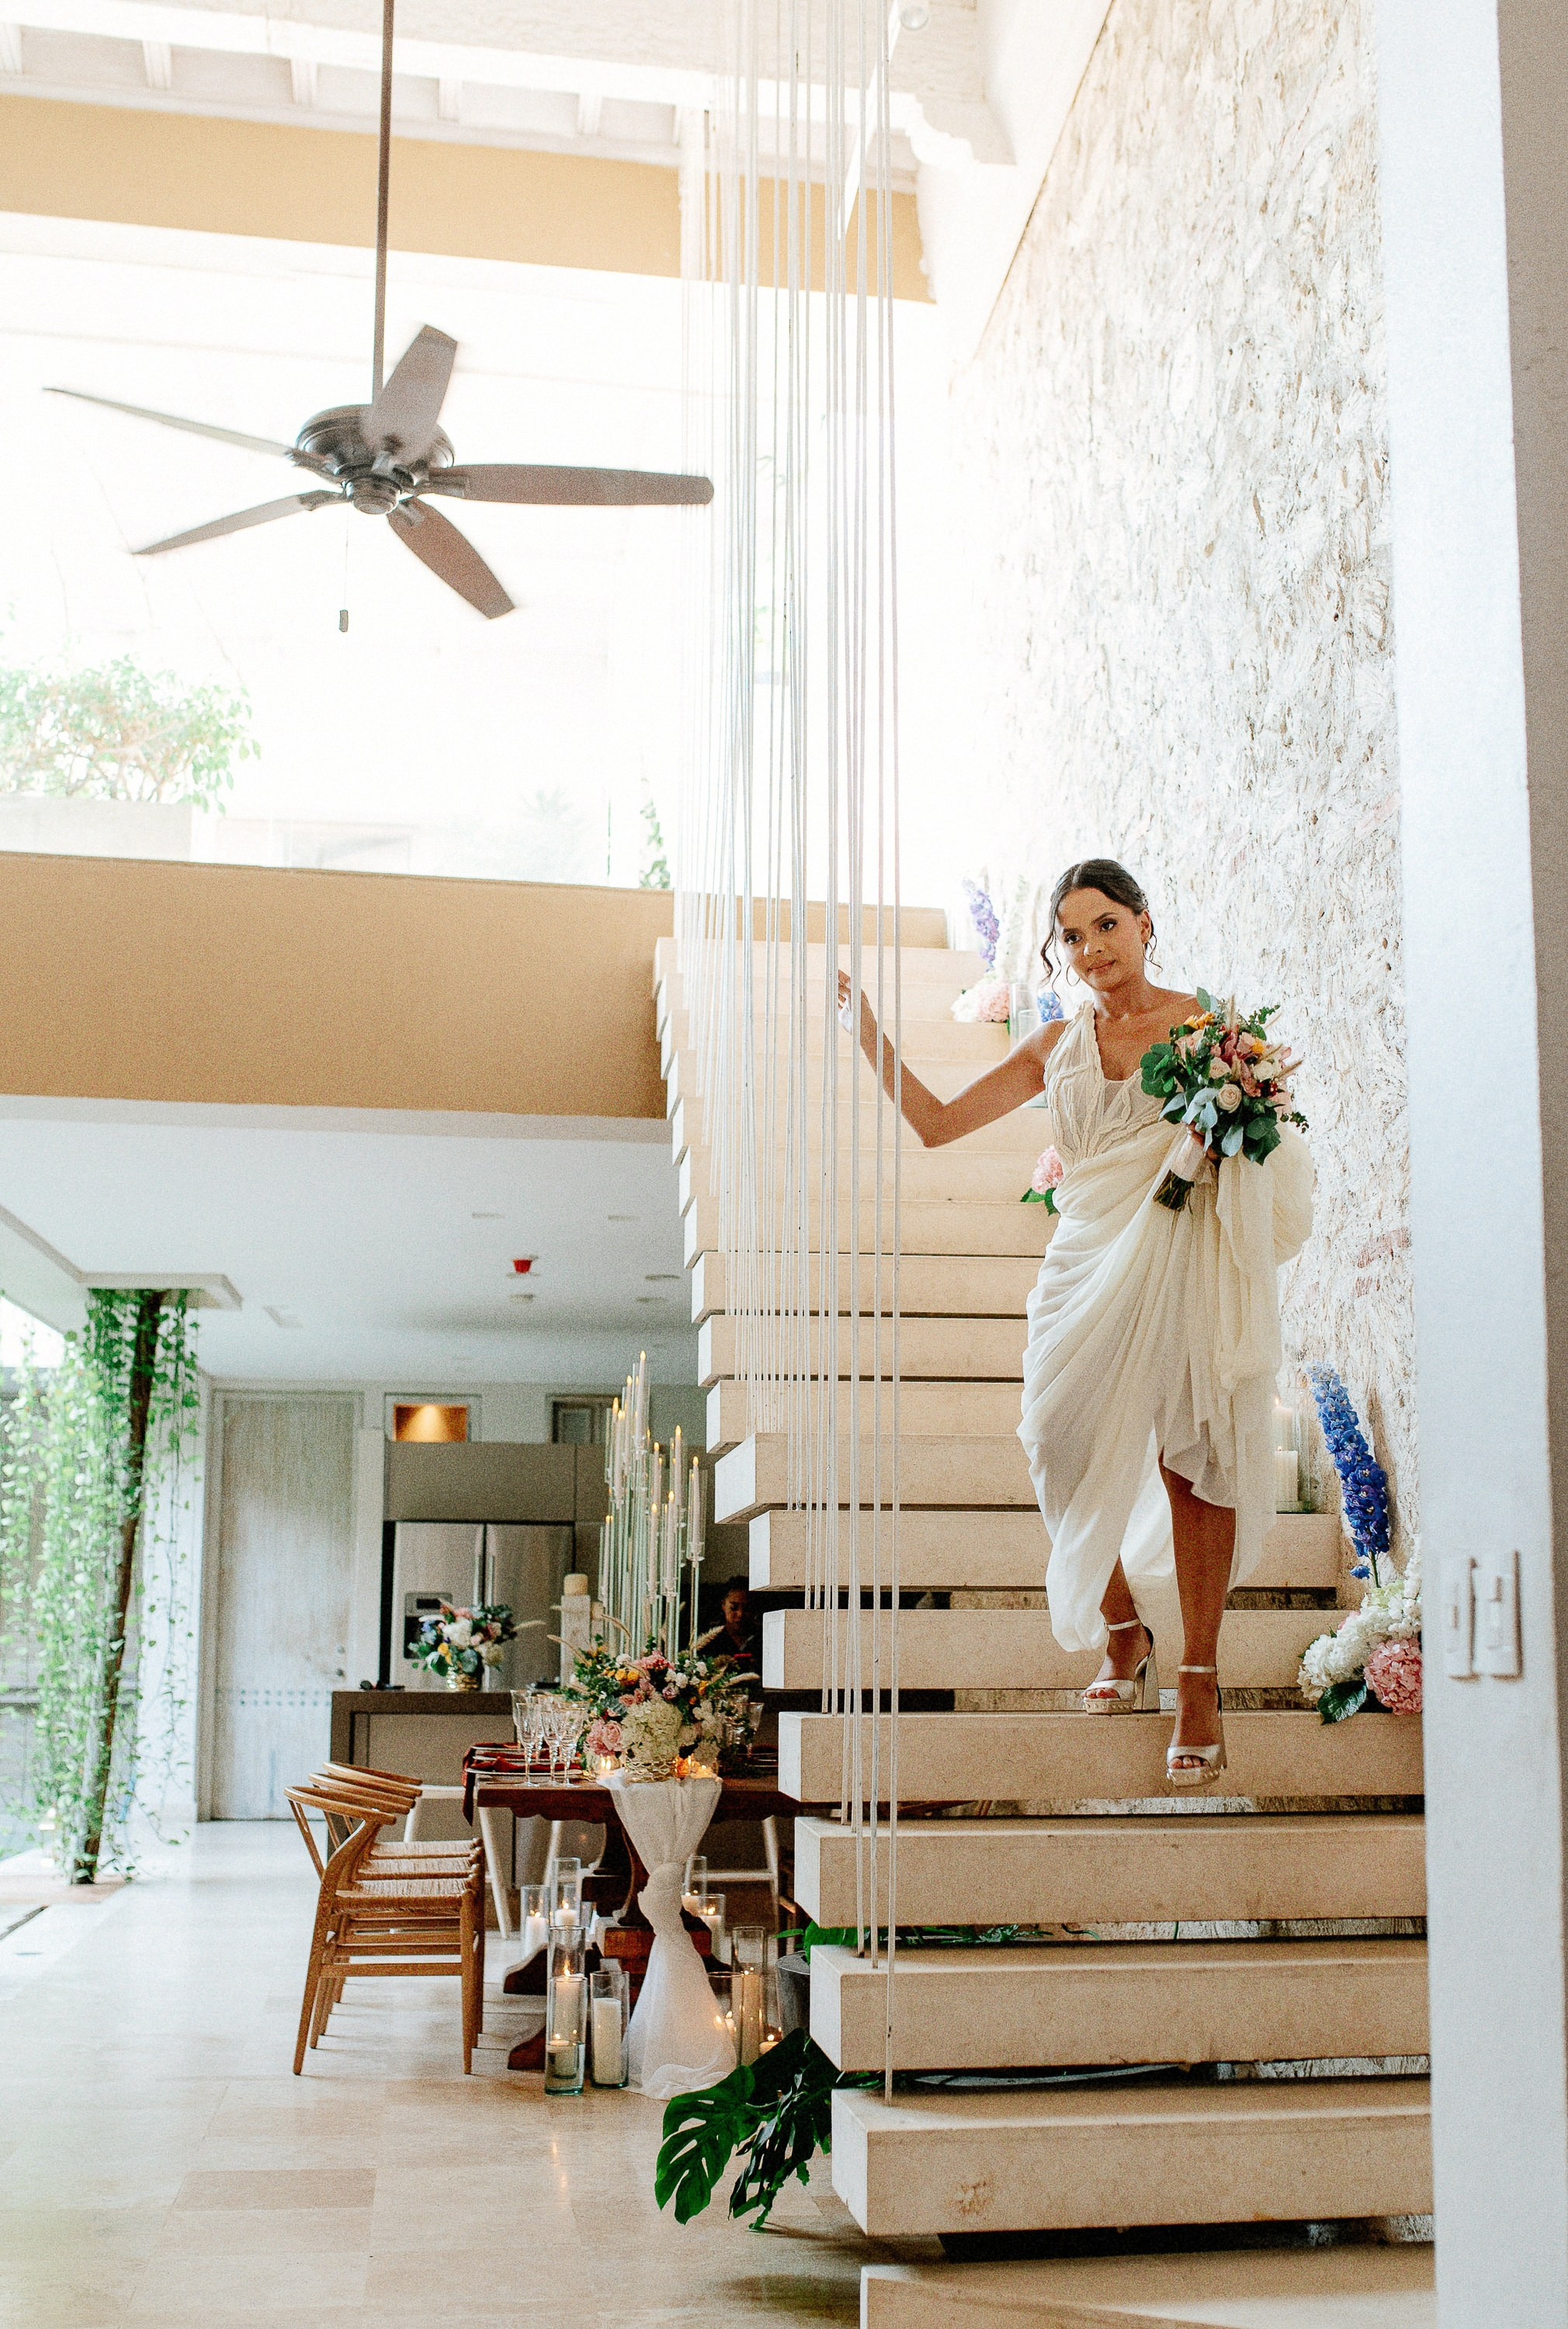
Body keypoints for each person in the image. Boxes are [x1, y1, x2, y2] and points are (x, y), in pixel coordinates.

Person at [841, 858, 1313, 1786]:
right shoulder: (1054, 1043)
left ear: (1143, 922)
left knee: (1194, 1457)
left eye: (1105, 925)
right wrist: (868, 1037)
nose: (1091, 948)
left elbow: (1267, 1143)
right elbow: (936, 1126)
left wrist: (1207, 1151)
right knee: (1054, 1438)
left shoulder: (1207, 1031)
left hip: (1182, 1256)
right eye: (1071, 935)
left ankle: (1198, 1678)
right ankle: (1123, 1624)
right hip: (1085, 1252)